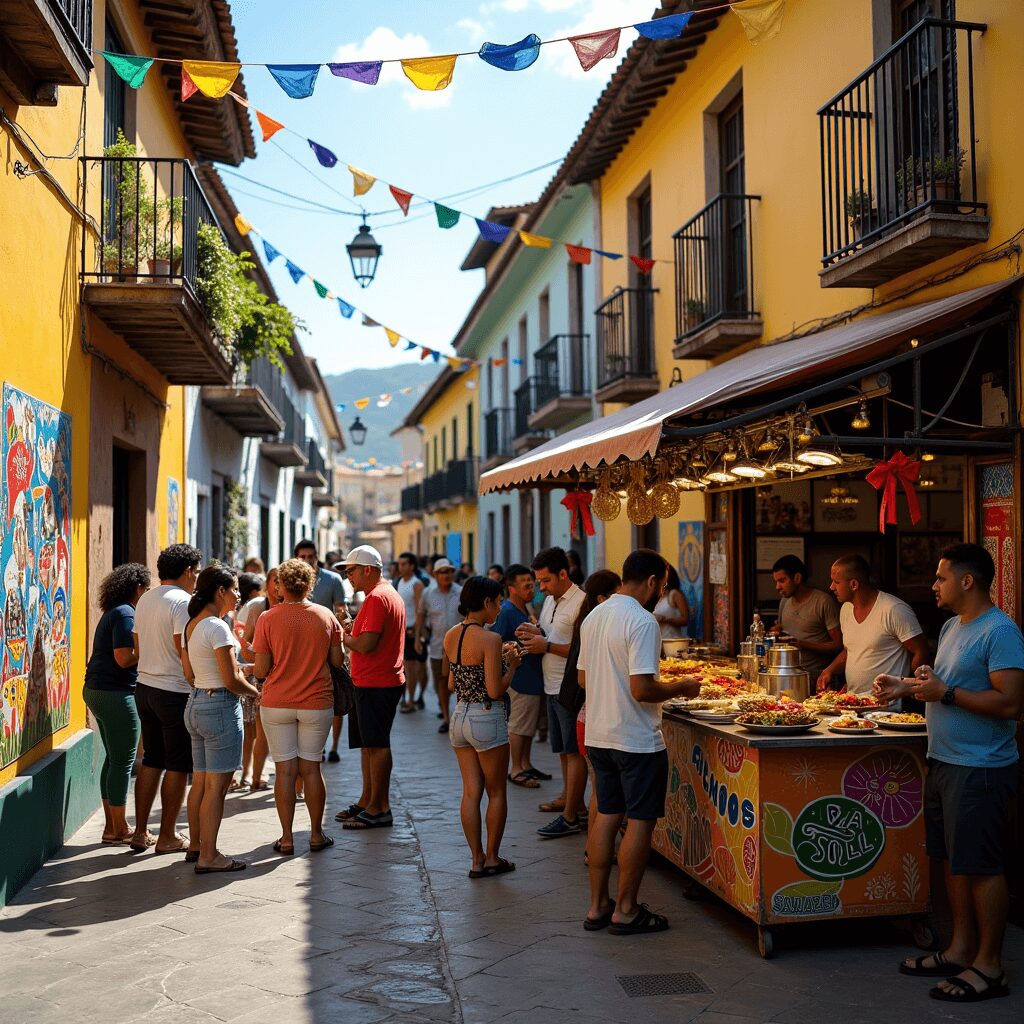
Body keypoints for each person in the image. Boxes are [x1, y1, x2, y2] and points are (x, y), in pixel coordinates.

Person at [875, 544, 1024, 1003]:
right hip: (943, 760)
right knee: (953, 862)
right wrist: (908, 685)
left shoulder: (1000, 632)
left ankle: (990, 966)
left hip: (980, 768)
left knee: (981, 866)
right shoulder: (951, 626)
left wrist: (948, 693)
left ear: (967, 581)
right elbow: (942, 687)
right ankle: (960, 949)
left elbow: (1012, 704)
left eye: (940, 577)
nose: (933, 585)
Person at [578, 549, 701, 934]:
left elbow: (583, 680)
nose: (660, 592)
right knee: (641, 822)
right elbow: (642, 688)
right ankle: (626, 909)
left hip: (599, 734)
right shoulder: (643, 621)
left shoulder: (594, 615)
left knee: (606, 815)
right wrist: (683, 686)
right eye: (661, 585)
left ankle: (598, 906)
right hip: (636, 740)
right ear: (651, 581)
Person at [252, 558, 344, 856]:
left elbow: (262, 670)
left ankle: (287, 838)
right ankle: (316, 834)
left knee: (285, 771)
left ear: (280, 586)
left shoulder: (267, 618)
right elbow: (336, 661)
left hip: (277, 702)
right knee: (311, 769)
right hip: (317, 702)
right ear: (310, 584)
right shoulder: (325, 616)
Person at [181, 565, 259, 873]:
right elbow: (230, 680)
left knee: (201, 782)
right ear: (220, 592)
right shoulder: (218, 627)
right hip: (221, 708)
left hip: (197, 703)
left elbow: (193, 673)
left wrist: (240, 670)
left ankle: (197, 844)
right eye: (236, 589)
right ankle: (209, 856)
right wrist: (256, 693)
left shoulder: (193, 625)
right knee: (217, 788)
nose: (239, 595)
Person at [444, 576, 521, 878]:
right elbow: (494, 690)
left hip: (459, 716)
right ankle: (492, 857)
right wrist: (512, 663)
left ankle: (475, 860)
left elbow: (453, 683)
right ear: (487, 602)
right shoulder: (491, 639)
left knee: (470, 793)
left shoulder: (452, 635)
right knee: (497, 792)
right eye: (498, 602)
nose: (500, 608)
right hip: (486, 717)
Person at [131, 543, 202, 854]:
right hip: (173, 691)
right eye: (196, 572)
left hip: (144, 687)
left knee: (151, 760)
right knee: (177, 764)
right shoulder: (183, 602)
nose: (197, 579)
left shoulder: (146, 598)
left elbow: (138, 644)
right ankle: (167, 836)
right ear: (187, 571)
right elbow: (182, 648)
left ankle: (141, 832)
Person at [335, 545, 406, 831]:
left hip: (377, 682)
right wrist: (351, 630)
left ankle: (380, 807)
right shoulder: (380, 596)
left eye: (350, 571)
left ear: (368, 569)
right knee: (368, 746)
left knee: (376, 746)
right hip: (370, 681)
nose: (348, 577)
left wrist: (341, 634)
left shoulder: (378, 598)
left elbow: (365, 644)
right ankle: (368, 801)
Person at [516, 547, 586, 834]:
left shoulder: (581, 602)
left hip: (570, 688)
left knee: (574, 752)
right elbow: (550, 635)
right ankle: (572, 801)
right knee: (562, 749)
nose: (540, 588)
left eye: (545, 581)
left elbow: (582, 650)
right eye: (538, 581)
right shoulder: (549, 602)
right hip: (551, 686)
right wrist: (534, 634)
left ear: (563, 574)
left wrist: (545, 646)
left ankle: (571, 815)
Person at [83, 562, 151, 844]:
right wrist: (150, 646)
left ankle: (112, 827)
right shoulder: (126, 613)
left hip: (98, 690)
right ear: (137, 588)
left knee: (113, 759)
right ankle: (119, 828)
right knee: (122, 761)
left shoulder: (115, 611)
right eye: (146, 590)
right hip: (115, 694)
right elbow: (124, 658)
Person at [558, 570, 622, 832]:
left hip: (586, 713)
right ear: (601, 598)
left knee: (600, 789)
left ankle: (591, 847)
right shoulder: (598, 625)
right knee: (603, 791)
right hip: (595, 714)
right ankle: (592, 845)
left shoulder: (589, 621)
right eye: (617, 595)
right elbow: (583, 678)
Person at [818, 554, 928, 694]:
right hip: (852, 704)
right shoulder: (845, 609)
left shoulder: (894, 609)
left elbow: (921, 650)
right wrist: (830, 670)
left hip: (888, 709)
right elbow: (851, 650)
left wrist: (911, 687)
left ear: (853, 585)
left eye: (836, 582)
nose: (831, 587)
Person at [493, 564, 547, 788]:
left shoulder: (525, 610)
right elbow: (494, 642)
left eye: (531, 583)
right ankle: (516, 768)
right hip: (520, 679)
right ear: (511, 587)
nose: (530, 587)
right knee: (518, 725)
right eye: (525, 583)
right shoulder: (506, 611)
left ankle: (525, 763)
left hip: (531, 677)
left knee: (527, 726)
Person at [295, 539, 349, 762]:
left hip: (329, 646)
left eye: (311, 557)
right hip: (300, 650)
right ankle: (312, 745)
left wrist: (342, 642)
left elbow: (341, 612)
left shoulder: (333, 579)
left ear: (317, 557)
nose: (307, 561)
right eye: (303, 557)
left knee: (336, 695)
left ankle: (333, 746)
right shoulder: (292, 580)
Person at [770, 554, 842, 679]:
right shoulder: (785, 601)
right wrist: (776, 631)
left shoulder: (823, 601)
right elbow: (785, 627)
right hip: (787, 671)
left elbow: (837, 645)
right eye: (776, 582)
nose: (777, 587)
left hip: (815, 674)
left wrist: (803, 644)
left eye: (782, 581)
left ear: (797, 578)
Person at [240, 566, 280, 790]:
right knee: (252, 728)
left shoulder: (288, 608)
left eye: (281, 581)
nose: (277, 586)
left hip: (279, 676)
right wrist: (259, 658)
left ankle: (258, 776)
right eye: (274, 580)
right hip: (259, 674)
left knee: (265, 730)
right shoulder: (257, 606)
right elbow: (245, 645)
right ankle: (250, 775)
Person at [415, 557, 463, 732]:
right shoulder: (429, 593)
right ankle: (445, 716)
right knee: (441, 683)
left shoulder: (460, 592)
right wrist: (418, 638)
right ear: (435, 574)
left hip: (460, 647)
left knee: (461, 682)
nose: (447, 575)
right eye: (443, 572)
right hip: (437, 646)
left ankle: (460, 716)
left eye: (450, 571)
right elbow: (421, 614)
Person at [396, 550, 427, 714]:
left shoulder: (417, 584)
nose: (400, 567)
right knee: (407, 667)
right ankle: (410, 698)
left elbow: (419, 609)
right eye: (399, 564)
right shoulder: (400, 582)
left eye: (404, 564)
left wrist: (418, 633)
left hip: (414, 631)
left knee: (416, 668)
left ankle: (413, 699)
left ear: (412, 566)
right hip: (403, 631)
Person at [653, 565, 690, 640]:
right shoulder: (654, 595)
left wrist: (665, 620)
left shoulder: (674, 594)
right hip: (658, 641)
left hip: (673, 641)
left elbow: (685, 619)